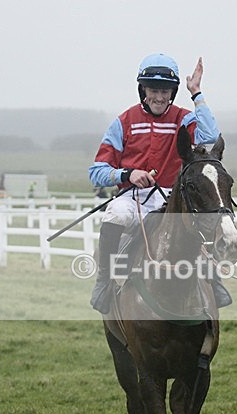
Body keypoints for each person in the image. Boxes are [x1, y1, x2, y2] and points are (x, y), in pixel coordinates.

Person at [88, 53, 226, 313]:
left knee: (199, 217)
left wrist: (196, 93)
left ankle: (214, 280)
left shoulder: (183, 119)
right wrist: (127, 174)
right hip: (133, 198)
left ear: (173, 92)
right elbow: (97, 171)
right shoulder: (123, 122)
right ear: (143, 90)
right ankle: (104, 281)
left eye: (165, 91)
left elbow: (210, 136)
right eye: (153, 90)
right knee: (114, 214)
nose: (159, 97)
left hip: (170, 198)